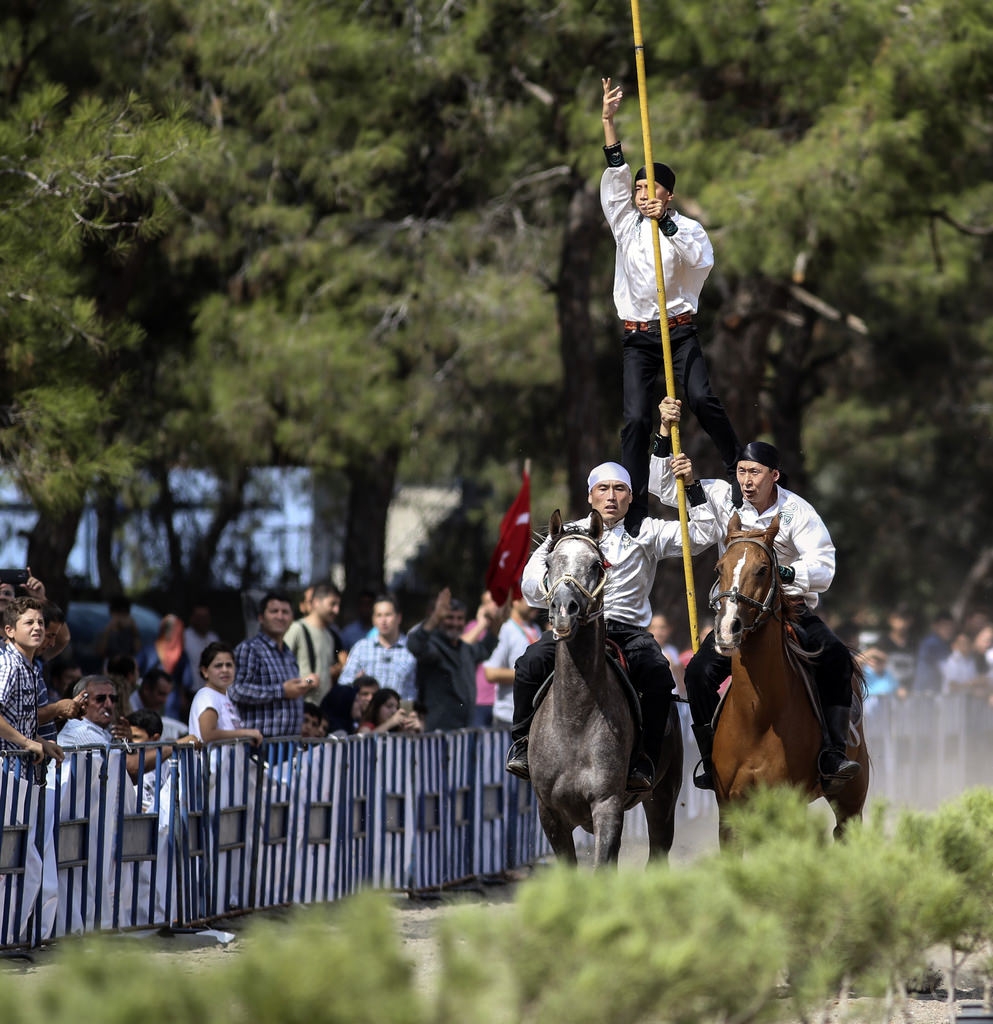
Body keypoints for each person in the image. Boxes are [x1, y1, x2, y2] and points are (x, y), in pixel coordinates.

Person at [650, 396, 861, 795]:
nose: (747, 481)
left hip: (790, 611)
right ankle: (712, 757)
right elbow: (662, 489)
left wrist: (788, 573)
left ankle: (833, 752)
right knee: (696, 673)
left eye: (756, 473)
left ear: (774, 476)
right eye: (743, 472)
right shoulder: (719, 496)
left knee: (835, 658)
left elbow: (825, 564)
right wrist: (664, 435)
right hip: (735, 613)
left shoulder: (798, 512)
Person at [505, 459, 713, 790]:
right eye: (603, 489)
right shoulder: (566, 535)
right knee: (529, 663)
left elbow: (704, 533)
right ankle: (520, 745)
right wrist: (560, 590)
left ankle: (646, 759)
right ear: (591, 496)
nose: (611, 496)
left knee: (659, 677)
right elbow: (529, 586)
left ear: (631, 497)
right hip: (575, 629)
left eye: (620, 489)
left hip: (628, 632)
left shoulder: (648, 530)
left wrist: (690, 487)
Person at [600, 77, 741, 537]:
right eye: (640, 189)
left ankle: (739, 465)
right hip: (639, 335)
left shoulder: (688, 228)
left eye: (651, 190)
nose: (642, 195)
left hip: (678, 330)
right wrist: (608, 123)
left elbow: (700, 261)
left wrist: (669, 228)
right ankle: (634, 501)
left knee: (700, 398)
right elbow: (617, 178)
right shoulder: (626, 224)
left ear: (668, 196)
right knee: (638, 418)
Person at [407, 588, 506, 731]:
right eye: (449, 617)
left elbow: (486, 648)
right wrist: (435, 617)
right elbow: (415, 645)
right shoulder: (434, 647)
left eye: (460, 618)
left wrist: (497, 621)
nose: (455, 623)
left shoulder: (464, 649)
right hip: (437, 734)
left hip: (463, 734)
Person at [229, 591, 320, 738]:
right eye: (274, 611)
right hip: (258, 746)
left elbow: (293, 688)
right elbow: (235, 690)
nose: (280, 616)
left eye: (285, 612)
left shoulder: (288, 653)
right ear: (261, 618)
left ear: (292, 619)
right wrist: (281, 691)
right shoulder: (249, 649)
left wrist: (307, 682)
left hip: (287, 746)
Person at [0, 597, 65, 765]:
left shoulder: (28, 668)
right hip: (5, 772)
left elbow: (18, 724)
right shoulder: (9, 666)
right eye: (29, 623)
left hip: (19, 773)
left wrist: (42, 743)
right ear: (10, 631)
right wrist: (28, 743)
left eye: (41, 623)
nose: (37, 627)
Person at [339, 593, 418, 700]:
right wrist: (356, 682)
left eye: (388, 615)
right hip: (368, 714)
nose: (383, 620)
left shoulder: (411, 649)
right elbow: (343, 684)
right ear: (373, 619)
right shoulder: (361, 648)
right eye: (379, 615)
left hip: (401, 713)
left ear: (399, 618)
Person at [188, 641, 264, 746]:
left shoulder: (225, 697)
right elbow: (208, 734)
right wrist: (244, 733)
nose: (225, 670)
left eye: (229, 665)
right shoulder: (206, 696)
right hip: (213, 762)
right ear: (205, 671)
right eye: (218, 666)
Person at [484, 597, 542, 727]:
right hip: (508, 718)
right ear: (515, 601)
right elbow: (490, 673)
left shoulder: (536, 628)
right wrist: (529, 675)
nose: (536, 603)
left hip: (532, 716)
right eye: (530, 598)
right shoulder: (506, 629)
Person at [283, 582, 341, 701]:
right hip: (301, 706)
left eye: (338, 605)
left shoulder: (330, 635)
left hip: (323, 710)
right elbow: (280, 668)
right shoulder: (297, 629)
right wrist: (307, 681)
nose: (336, 610)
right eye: (332, 604)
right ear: (316, 602)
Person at [137, 614, 192, 720]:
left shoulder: (149, 650)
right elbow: (187, 680)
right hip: (170, 701)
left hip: (152, 699)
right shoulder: (180, 655)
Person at [913, 611, 955, 693]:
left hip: (932, 689)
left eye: (951, 626)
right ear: (935, 626)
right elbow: (945, 669)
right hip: (926, 690)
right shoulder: (933, 642)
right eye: (944, 625)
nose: (948, 629)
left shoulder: (943, 643)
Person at [648, 611, 686, 698]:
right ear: (648, 630)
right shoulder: (646, 652)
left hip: (675, 697)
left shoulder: (672, 651)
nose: (658, 632)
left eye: (662, 628)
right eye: (654, 627)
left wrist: (674, 666)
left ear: (669, 630)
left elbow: (681, 682)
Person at [183, 602, 220, 688]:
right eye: (200, 618)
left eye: (205, 618)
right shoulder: (184, 638)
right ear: (192, 618)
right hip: (191, 688)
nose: (203, 621)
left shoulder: (213, 638)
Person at [358, 688, 423, 734]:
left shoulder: (399, 728)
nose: (394, 711)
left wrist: (417, 729)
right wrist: (391, 722)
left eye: (397, 708)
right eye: (389, 706)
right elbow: (366, 740)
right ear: (377, 708)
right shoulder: (367, 726)